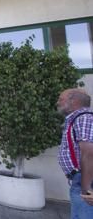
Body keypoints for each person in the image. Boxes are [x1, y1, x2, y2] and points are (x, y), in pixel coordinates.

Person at [57, 88, 93, 218]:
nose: (58, 102)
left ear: (75, 101)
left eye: (61, 99)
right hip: (79, 180)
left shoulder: (83, 118)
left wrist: (86, 190)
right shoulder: (76, 119)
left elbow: (89, 154)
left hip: (85, 182)